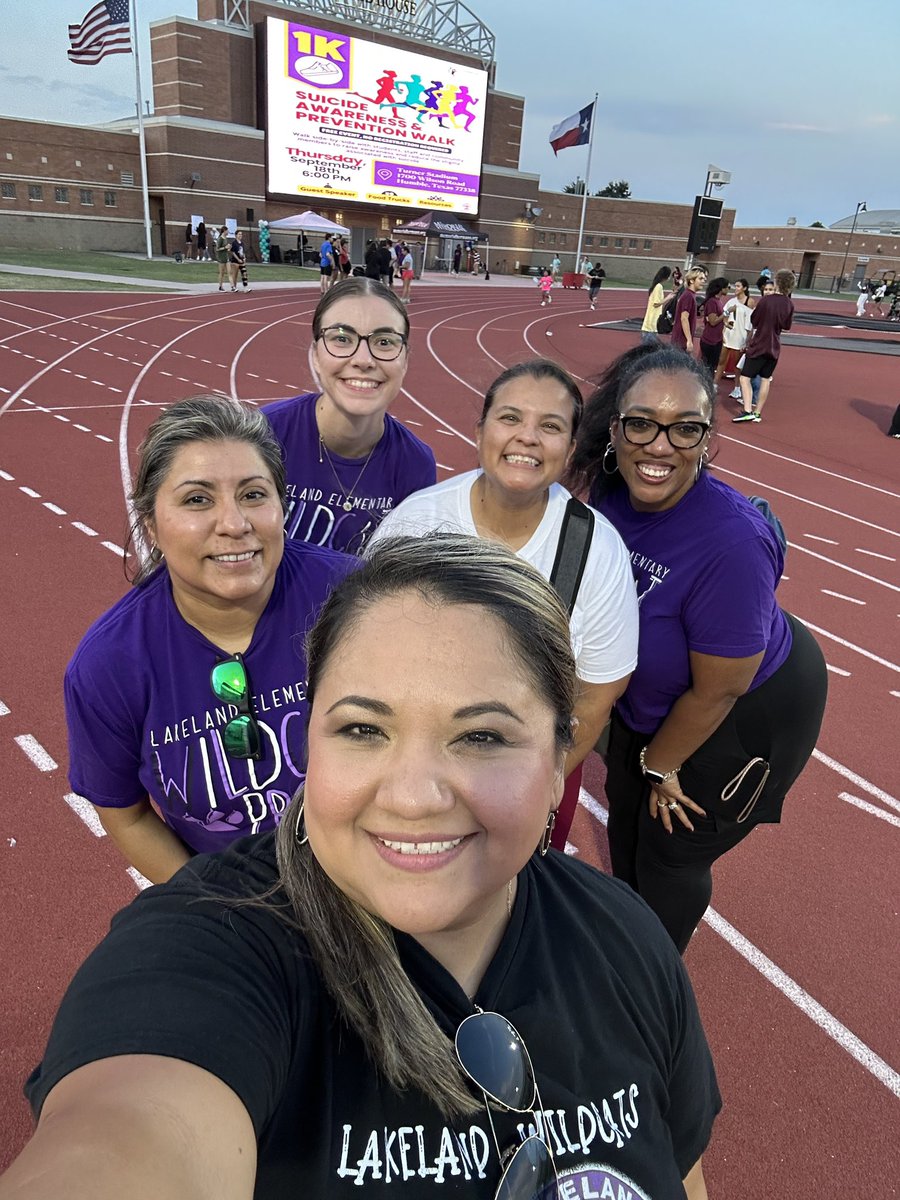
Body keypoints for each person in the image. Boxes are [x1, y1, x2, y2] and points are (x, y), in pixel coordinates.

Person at [6, 535, 719, 1200]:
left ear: (560, 760)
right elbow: (131, 1132)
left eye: (482, 736)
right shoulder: (210, 950)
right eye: (362, 729)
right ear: (310, 739)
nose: (412, 796)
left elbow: (681, 1170)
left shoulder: (623, 938)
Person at [567, 344, 827, 953]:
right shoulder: (609, 489)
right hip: (661, 697)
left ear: (707, 438)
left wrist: (660, 765)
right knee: (626, 814)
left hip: (743, 714)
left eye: (686, 429)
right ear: (615, 428)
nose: (660, 447)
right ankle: (628, 932)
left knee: (669, 852)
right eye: (642, 424)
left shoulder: (731, 544)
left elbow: (720, 689)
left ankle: (650, 986)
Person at [61, 395, 354, 885]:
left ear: (281, 505)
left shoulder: (354, 598)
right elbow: (125, 813)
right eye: (198, 499)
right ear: (151, 525)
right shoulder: (109, 666)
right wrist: (214, 908)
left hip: (372, 878)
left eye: (254, 494)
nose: (235, 524)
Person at [371, 359, 638, 851]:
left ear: (571, 449)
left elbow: (597, 694)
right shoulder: (416, 525)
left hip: (531, 767)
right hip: (417, 756)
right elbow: (368, 653)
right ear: (481, 431)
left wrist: (536, 786)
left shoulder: (597, 550)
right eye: (510, 418)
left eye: (550, 426)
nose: (527, 437)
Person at [262, 278, 436, 555]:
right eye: (342, 338)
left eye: (384, 342)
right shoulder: (263, 434)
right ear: (316, 355)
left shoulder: (415, 465)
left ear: (405, 360)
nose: (364, 360)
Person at [734, 269, 795, 423]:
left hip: (760, 343)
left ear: (777, 282)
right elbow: (787, 325)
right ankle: (758, 412)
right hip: (775, 346)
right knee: (766, 379)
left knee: (745, 378)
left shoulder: (767, 300)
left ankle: (748, 409)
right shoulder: (789, 303)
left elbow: (754, 320)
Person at [715, 278, 752, 391]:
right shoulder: (731, 301)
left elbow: (750, 323)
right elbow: (724, 314)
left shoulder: (749, 301)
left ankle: (737, 389)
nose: (735, 288)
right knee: (721, 362)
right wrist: (726, 323)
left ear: (744, 288)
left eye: (738, 286)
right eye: (735, 286)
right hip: (729, 336)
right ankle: (714, 385)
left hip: (740, 337)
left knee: (737, 366)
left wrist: (747, 341)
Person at [671, 267, 707, 354]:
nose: (703, 281)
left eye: (704, 279)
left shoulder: (690, 295)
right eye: (700, 278)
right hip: (681, 342)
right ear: (691, 280)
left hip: (680, 342)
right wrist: (689, 340)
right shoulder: (688, 296)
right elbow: (684, 318)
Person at [698, 278, 730, 374]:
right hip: (710, 340)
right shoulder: (712, 302)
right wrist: (727, 312)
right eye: (727, 287)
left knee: (712, 367)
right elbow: (713, 322)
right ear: (721, 288)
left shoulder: (718, 301)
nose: (729, 289)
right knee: (707, 368)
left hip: (717, 339)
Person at [640, 266, 673, 342]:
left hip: (649, 323)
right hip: (652, 324)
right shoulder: (659, 287)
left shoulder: (655, 285)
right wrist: (669, 297)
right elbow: (656, 303)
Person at [215, 225, 230, 290]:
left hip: (226, 257)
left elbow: (226, 248)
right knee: (222, 272)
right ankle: (220, 286)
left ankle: (232, 286)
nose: (228, 232)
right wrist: (224, 247)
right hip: (221, 258)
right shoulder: (220, 239)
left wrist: (228, 248)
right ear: (224, 231)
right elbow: (217, 249)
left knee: (230, 272)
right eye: (227, 230)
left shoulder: (225, 238)